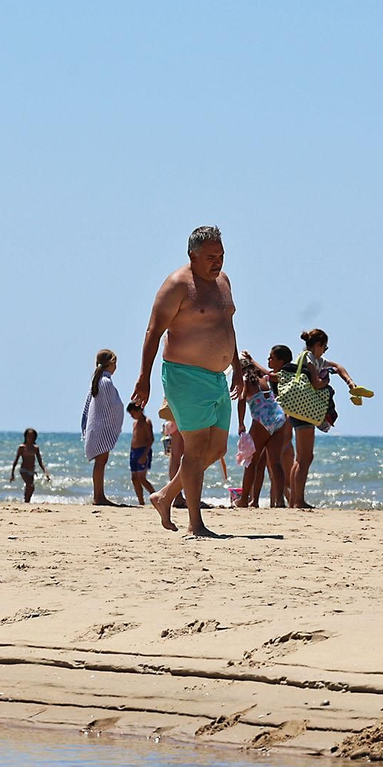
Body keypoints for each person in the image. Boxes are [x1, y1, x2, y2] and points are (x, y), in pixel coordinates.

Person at [131, 225, 242, 537]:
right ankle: (196, 523)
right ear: (192, 255)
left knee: (216, 448)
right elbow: (153, 331)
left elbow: (226, 324)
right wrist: (144, 378)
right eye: (210, 257)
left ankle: (165, 496)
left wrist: (237, 365)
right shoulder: (177, 284)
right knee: (194, 451)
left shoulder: (223, 282)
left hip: (218, 378)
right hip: (184, 375)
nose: (217, 262)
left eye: (221, 255)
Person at [286, 328, 367, 510]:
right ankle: (298, 501)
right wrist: (326, 382)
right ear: (318, 345)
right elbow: (316, 382)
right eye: (325, 347)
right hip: (305, 410)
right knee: (305, 458)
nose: (325, 350)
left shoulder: (314, 359)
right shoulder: (308, 358)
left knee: (301, 458)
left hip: (300, 410)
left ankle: (294, 501)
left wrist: (350, 383)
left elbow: (338, 367)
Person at [235, 347, 291, 508]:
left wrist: (240, 423)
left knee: (251, 462)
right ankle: (279, 501)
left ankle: (244, 499)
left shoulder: (245, 379)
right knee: (275, 463)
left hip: (262, 420)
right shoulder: (264, 378)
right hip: (279, 418)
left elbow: (241, 399)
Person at [81, 349, 125, 506]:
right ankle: (98, 496)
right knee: (100, 462)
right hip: (101, 428)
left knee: (100, 462)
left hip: (97, 428)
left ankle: (99, 495)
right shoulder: (105, 382)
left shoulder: (98, 380)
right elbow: (110, 407)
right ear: (111, 362)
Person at [126, 403, 157, 505]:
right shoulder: (135, 423)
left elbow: (151, 439)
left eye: (133, 413)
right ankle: (141, 501)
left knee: (141, 478)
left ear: (139, 411)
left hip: (143, 451)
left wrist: (144, 454)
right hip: (134, 452)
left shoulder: (146, 422)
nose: (132, 416)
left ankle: (156, 497)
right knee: (134, 478)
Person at [10, 428, 48, 503]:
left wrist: (46, 472)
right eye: (28, 437)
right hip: (23, 470)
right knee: (29, 485)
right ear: (25, 437)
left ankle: (27, 500)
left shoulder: (35, 448)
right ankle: (26, 500)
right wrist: (12, 473)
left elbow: (40, 462)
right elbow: (16, 460)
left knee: (31, 487)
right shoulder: (22, 447)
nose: (30, 439)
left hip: (32, 470)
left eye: (32, 437)